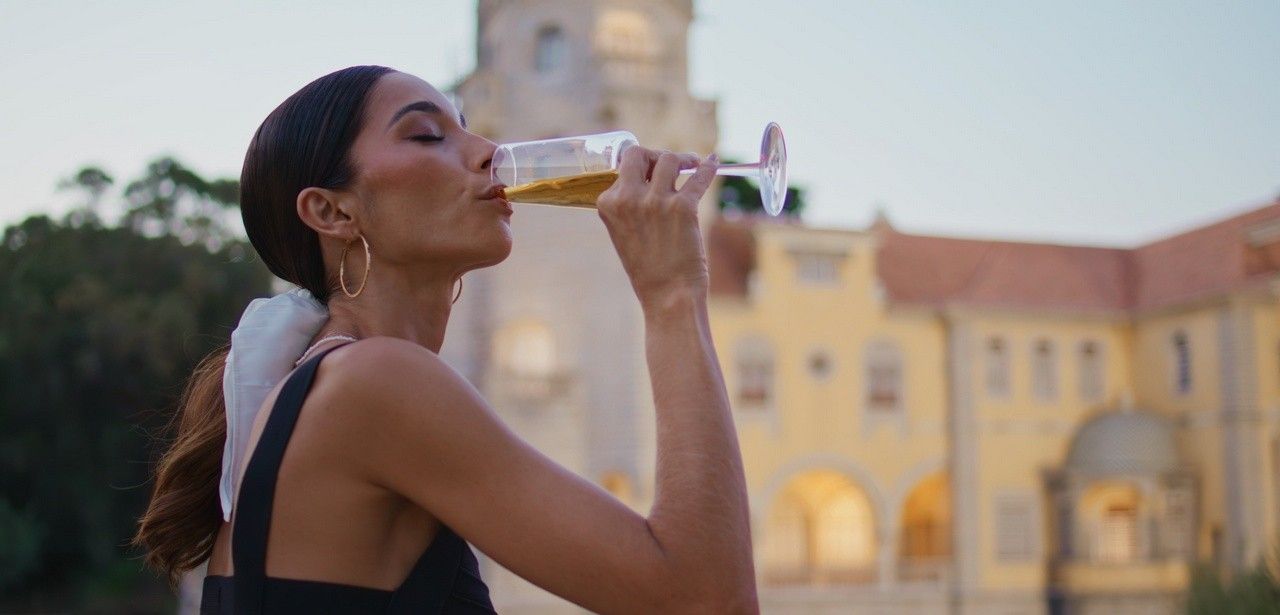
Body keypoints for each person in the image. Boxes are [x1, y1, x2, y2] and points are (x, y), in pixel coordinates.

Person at [132, 65, 758, 614]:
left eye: (468, 127)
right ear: (332, 212)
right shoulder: (374, 383)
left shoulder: (337, 382)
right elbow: (705, 601)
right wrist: (672, 296)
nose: (488, 149)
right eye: (427, 135)